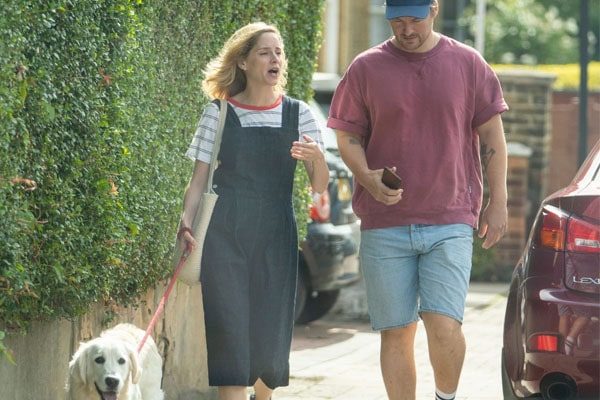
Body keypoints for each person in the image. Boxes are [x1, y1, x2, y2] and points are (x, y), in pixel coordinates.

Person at [327, 1, 508, 399]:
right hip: (384, 221)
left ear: (435, 9)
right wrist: (367, 178)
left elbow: (493, 136)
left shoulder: (468, 63)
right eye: (397, 20)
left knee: (443, 323)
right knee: (396, 331)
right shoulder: (365, 68)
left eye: (415, 19)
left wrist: (499, 201)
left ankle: (446, 396)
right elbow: (348, 135)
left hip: (450, 216)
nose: (406, 29)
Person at [179, 22, 329, 400]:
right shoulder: (218, 113)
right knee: (230, 332)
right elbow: (199, 180)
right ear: (243, 62)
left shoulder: (300, 115)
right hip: (225, 235)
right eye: (264, 52)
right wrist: (186, 222)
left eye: (278, 52)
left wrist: (316, 160)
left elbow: (320, 185)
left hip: (276, 236)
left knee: (269, 335)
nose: (274, 58)